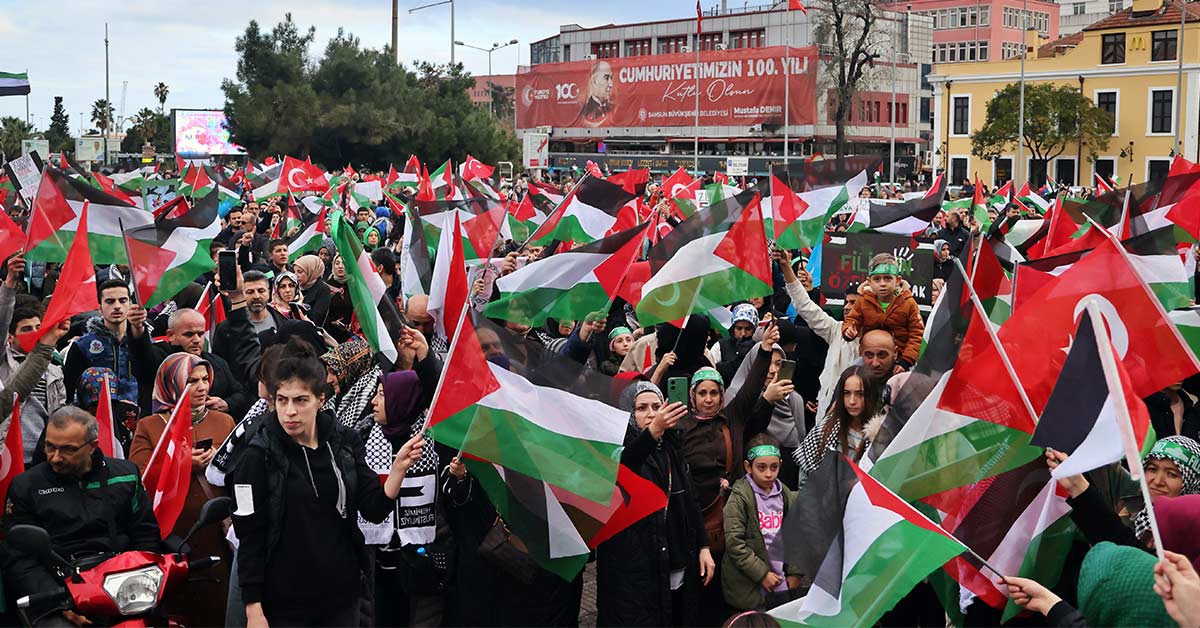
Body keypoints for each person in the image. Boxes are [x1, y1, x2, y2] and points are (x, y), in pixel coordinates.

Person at [230, 346, 424, 627]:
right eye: (282, 400)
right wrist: (253, 610)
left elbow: (373, 509)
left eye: (300, 400)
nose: (290, 411)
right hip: (284, 603)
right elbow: (250, 535)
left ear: (321, 399)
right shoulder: (257, 455)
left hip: (341, 599)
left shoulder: (345, 442)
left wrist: (398, 469)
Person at [2, 407, 162, 626]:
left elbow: (146, 535)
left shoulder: (126, 475)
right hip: (57, 591)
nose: (55, 457)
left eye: (68, 449)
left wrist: (140, 581)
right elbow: (19, 559)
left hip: (123, 585)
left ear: (92, 446)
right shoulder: (26, 486)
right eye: (49, 446)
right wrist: (60, 603)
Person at [129, 353, 235, 628]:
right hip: (175, 533)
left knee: (219, 604)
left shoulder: (223, 421)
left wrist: (221, 459)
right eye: (191, 381)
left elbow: (243, 468)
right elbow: (140, 475)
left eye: (204, 380)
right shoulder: (151, 426)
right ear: (171, 384)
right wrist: (182, 464)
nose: (201, 387)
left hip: (218, 532)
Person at [596, 381, 711, 627]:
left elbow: (689, 500)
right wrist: (652, 433)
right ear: (628, 413)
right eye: (641, 408)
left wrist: (703, 545)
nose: (651, 413)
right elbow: (623, 472)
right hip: (634, 571)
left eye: (657, 406)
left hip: (674, 560)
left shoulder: (672, 446)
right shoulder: (616, 450)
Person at [776, 250, 897, 420]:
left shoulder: (884, 341)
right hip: (826, 419)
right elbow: (804, 306)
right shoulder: (837, 331)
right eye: (846, 302)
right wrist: (785, 267)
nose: (847, 307)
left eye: (854, 303)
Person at [1047, 435, 1200, 549]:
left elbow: (1134, 558)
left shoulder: (1189, 532)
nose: (1158, 480)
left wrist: (1079, 488)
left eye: (1172, 474)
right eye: (1152, 469)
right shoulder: (1133, 496)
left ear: (1191, 482)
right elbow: (1102, 464)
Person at [721, 434, 800, 611]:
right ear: (748, 467)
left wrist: (795, 571)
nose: (768, 474)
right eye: (761, 468)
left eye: (774, 467)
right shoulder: (739, 498)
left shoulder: (786, 496)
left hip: (781, 581)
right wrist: (762, 574)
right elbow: (735, 543)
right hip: (750, 585)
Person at [146, 308, 250, 420]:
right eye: (189, 334)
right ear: (171, 335)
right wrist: (137, 331)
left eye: (200, 334)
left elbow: (241, 394)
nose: (196, 340)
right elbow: (141, 356)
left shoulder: (217, 362)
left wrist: (226, 404)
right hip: (167, 429)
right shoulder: (161, 359)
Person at [63, 279, 151, 407]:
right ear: (100, 308)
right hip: (97, 417)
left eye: (122, 300)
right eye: (110, 301)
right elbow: (69, 390)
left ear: (130, 304)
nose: (117, 306)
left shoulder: (143, 342)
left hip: (138, 416)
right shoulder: (82, 346)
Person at [794, 365, 881, 481]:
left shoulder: (881, 435)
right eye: (846, 393)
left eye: (860, 394)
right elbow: (805, 476)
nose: (852, 401)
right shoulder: (826, 428)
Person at [841, 253, 924, 372]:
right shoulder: (862, 301)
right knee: (850, 377)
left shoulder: (909, 303)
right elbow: (851, 321)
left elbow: (917, 335)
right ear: (869, 281)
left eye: (888, 278)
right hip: (870, 358)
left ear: (898, 280)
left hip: (901, 360)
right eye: (877, 279)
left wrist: (906, 361)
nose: (882, 283)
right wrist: (848, 330)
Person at [293, 254, 332, 325]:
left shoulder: (323, 289)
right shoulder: (295, 287)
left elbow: (318, 318)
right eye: (295, 272)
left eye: (300, 272)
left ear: (311, 271)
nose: (296, 275)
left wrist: (301, 305)